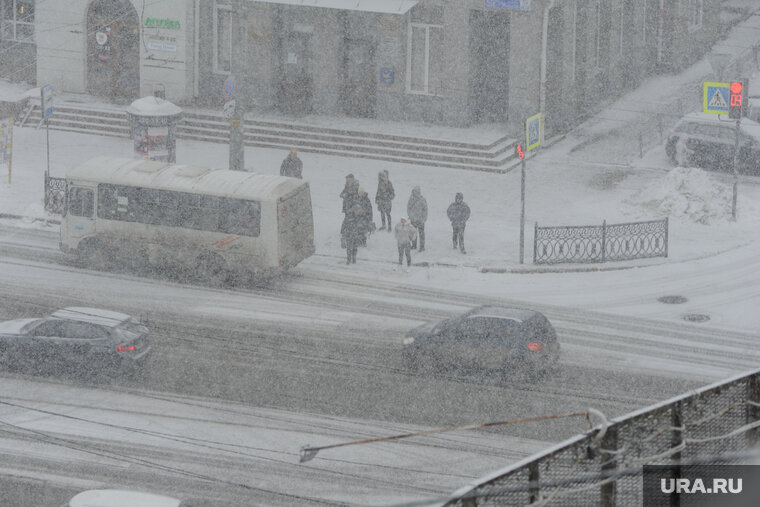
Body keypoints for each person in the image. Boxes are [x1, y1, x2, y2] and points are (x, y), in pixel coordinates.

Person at [407, 186, 428, 251]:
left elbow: (425, 210)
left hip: (420, 220)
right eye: (414, 191)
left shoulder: (422, 199)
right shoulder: (411, 199)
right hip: (413, 219)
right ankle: (414, 245)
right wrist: (410, 216)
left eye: (416, 192)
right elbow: (408, 208)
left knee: (421, 233)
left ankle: (422, 246)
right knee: (413, 233)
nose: (414, 193)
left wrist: (424, 219)